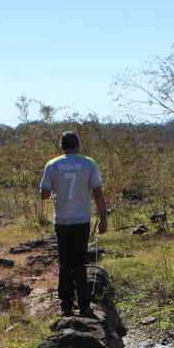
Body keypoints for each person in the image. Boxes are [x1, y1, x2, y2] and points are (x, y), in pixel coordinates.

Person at [38, 131, 108, 316]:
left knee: (65, 262)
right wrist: (103, 218)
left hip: (62, 221)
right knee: (80, 262)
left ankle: (66, 305)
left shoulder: (52, 165)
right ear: (78, 145)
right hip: (82, 220)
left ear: (61, 146)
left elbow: (44, 194)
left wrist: (56, 187)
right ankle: (84, 304)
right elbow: (98, 193)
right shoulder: (89, 163)